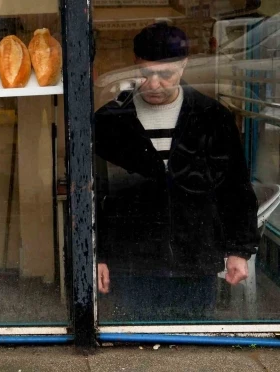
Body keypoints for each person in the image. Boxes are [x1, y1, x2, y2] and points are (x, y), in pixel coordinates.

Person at [95, 22, 260, 320]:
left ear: (183, 67)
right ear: (135, 65)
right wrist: (98, 254)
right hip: (132, 263)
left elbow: (235, 187)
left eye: (165, 74)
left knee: (193, 348)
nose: (154, 84)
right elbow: (96, 191)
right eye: (145, 74)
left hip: (197, 261)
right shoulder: (110, 121)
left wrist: (239, 249)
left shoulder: (213, 117)